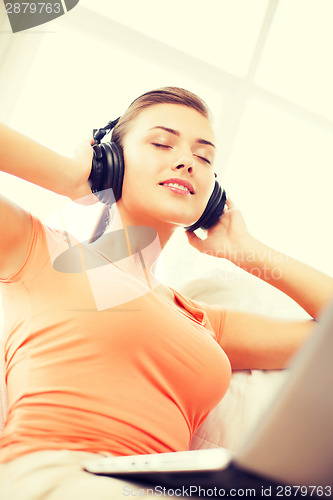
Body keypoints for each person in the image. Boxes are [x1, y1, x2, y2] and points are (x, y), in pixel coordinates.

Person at [0, 87, 332, 500]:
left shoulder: (200, 319)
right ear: (110, 161)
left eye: (204, 157)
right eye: (161, 143)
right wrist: (68, 177)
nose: (187, 162)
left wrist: (245, 251)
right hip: (59, 475)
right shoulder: (36, 249)